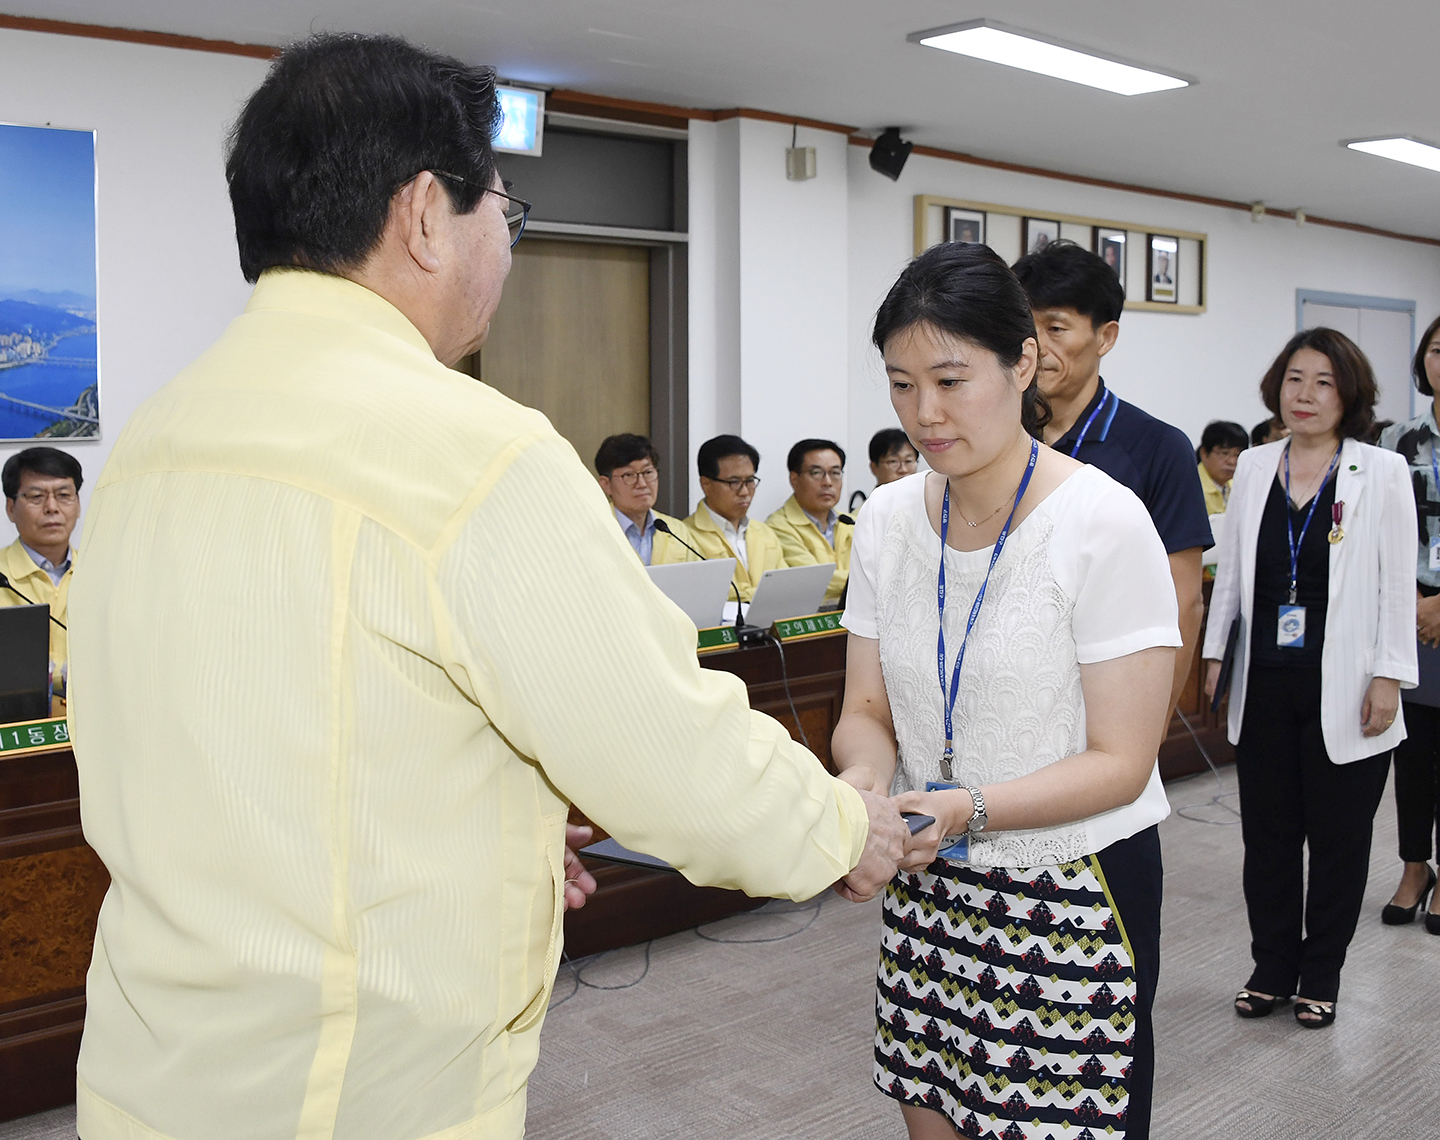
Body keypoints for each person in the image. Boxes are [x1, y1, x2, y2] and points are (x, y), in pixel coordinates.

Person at [66, 35, 907, 1140]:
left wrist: (492, 839)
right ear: (424, 214)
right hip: (356, 1087)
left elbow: (223, 743)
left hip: (153, 1069)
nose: (505, 255)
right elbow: (667, 749)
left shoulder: (152, 439)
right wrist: (843, 827)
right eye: (502, 217)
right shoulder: (468, 447)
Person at [835, 242, 1180, 1140]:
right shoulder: (883, 520)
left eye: (951, 380)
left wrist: (967, 809)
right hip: (929, 871)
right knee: (934, 1108)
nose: (926, 413)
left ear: (1022, 360)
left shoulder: (1101, 520)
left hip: (1069, 887)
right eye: (901, 384)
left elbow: (1123, 760)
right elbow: (867, 712)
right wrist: (863, 793)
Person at [1203, 327, 1416, 1028]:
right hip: (1265, 678)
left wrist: (1388, 675)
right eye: (1296, 378)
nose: (1307, 394)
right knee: (1266, 836)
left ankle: (1320, 972)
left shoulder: (1381, 471)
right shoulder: (1258, 465)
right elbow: (1231, 576)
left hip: (1349, 683)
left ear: (1348, 392)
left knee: (1338, 840)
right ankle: (1272, 967)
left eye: (1324, 381)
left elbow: (1394, 583)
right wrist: (1215, 657)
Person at [1012, 240, 1210, 714]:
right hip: (1007, 692)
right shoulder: (997, 441)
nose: (1037, 348)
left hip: (1107, 693)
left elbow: (1182, 602)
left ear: (1106, 337)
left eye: (1056, 328)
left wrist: (1152, 728)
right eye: (1025, 328)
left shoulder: (1158, 448)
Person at [1378, 312, 1440, 933]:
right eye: (1438, 349)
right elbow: (1382, 530)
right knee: (1413, 754)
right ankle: (1414, 866)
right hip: (1408, 613)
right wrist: (1415, 603)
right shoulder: (1395, 440)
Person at [1, 447, 82, 695]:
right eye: (36, 496)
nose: (52, 508)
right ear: (11, 508)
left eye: (64, 495)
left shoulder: (100, 573)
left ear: (78, 504)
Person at [683, 433, 787, 602]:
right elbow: (713, 594)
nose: (745, 492)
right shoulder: (685, 536)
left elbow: (784, 586)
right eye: (734, 482)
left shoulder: (765, 533)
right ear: (706, 484)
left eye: (750, 481)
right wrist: (764, 594)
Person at [766, 438, 853, 605]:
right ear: (794, 479)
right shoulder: (777, 526)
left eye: (835, 473)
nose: (827, 482)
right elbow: (815, 579)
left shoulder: (852, 523)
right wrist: (870, 580)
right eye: (816, 473)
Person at [593, 432, 697, 566]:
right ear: (606, 485)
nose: (642, 483)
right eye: (628, 475)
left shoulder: (677, 530)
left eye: (648, 472)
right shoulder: (593, 532)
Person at [1196, 420, 1248, 514]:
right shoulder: (1193, 489)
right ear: (1204, 453)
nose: (1232, 461)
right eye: (1224, 453)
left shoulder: (1237, 486)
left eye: (1237, 455)